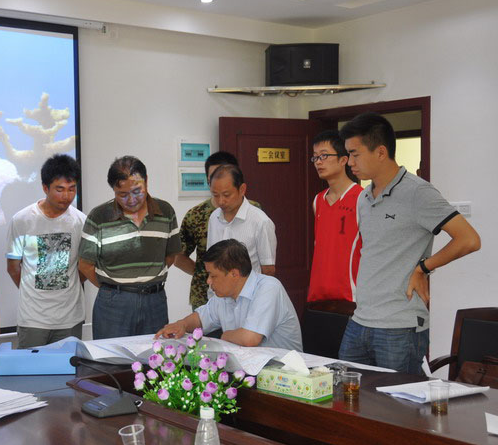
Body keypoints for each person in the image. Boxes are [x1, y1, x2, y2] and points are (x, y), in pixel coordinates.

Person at [338, 112, 480, 374]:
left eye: (355, 154)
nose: (350, 163)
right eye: (348, 155)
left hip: (399, 327)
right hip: (360, 320)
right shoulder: (363, 198)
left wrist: (423, 268)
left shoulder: (418, 192)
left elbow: (469, 239)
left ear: (381, 152)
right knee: (347, 394)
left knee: (397, 400)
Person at [79, 156, 181, 339]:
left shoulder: (165, 212)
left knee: (154, 354)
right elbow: (85, 265)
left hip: (155, 300)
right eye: (123, 194)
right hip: (113, 304)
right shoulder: (99, 216)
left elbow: (171, 255)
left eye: (137, 191)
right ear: (113, 190)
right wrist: (112, 288)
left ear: (146, 181)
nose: (131, 200)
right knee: (111, 355)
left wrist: (147, 276)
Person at [155, 239, 301, 351]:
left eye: (213, 275)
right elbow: (201, 317)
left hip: (285, 372)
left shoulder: (269, 288)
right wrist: (182, 324)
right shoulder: (224, 294)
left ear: (234, 274)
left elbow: (249, 339)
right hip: (248, 367)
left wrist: (223, 335)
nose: (208, 281)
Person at [6, 154, 86, 348]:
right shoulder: (22, 220)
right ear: (45, 188)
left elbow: (83, 269)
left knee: (68, 366)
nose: (66, 196)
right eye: (60, 189)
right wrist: (32, 291)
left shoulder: (81, 221)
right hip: (33, 319)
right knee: (31, 366)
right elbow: (13, 267)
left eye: (72, 189)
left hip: (70, 317)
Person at [176, 151, 263, 310]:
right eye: (214, 176)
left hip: (243, 297)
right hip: (205, 296)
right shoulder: (196, 214)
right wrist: (207, 273)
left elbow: (265, 261)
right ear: (208, 181)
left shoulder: (254, 210)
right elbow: (178, 257)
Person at [307, 130, 363, 302]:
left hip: (351, 296)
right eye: (315, 157)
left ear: (343, 160)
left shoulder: (362, 198)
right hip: (318, 295)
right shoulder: (318, 200)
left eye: (324, 155)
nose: (318, 162)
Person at [206, 164, 276, 276]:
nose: (221, 201)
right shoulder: (214, 217)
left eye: (226, 195)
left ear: (242, 189)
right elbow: (211, 261)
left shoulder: (261, 222)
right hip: (217, 287)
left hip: (249, 288)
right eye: (215, 195)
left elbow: (268, 270)